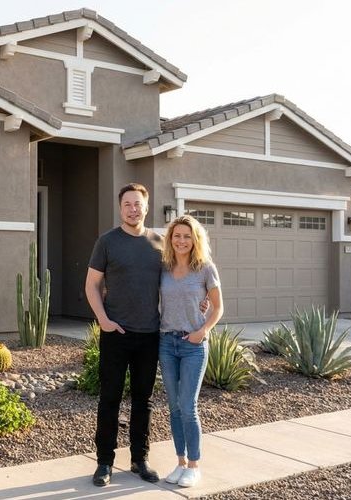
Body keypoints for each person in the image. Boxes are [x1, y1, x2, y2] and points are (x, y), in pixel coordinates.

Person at [84, 183, 162, 486]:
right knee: (110, 399)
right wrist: (103, 319)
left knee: (144, 401)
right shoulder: (107, 242)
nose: (133, 209)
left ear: (146, 206)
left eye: (138, 204)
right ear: (121, 208)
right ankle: (104, 462)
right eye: (127, 204)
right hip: (116, 333)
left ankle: (139, 459)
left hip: (150, 334)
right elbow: (91, 285)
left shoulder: (159, 243)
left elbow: (177, 281)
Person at [158, 214, 223, 488]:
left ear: (195, 240)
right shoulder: (163, 268)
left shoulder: (205, 268)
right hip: (166, 342)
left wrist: (202, 331)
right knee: (173, 408)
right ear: (170, 239)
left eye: (187, 236)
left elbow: (218, 307)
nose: (181, 240)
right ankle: (181, 462)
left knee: (188, 406)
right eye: (177, 235)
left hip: (193, 344)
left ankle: (195, 465)